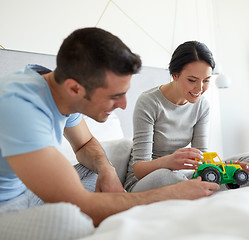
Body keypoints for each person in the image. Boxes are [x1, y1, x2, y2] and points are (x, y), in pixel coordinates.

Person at [0, 28, 219, 239]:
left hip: (29, 189)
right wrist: (170, 194)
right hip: (5, 207)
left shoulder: (54, 86)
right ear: (74, 88)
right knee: (67, 221)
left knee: (108, 158)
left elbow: (84, 144)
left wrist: (107, 170)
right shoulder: (19, 107)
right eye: (115, 96)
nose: (124, 105)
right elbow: (81, 203)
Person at [124, 41, 249, 193]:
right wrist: (169, 162)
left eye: (206, 81)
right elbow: (139, 169)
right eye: (192, 80)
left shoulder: (201, 105)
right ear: (175, 75)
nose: (199, 89)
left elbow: (202, 158)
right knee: (167, 177)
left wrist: (224, 168)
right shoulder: (149, 102)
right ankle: (200, 189)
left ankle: (198, 188)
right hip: (148, 178)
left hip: (183, 174)